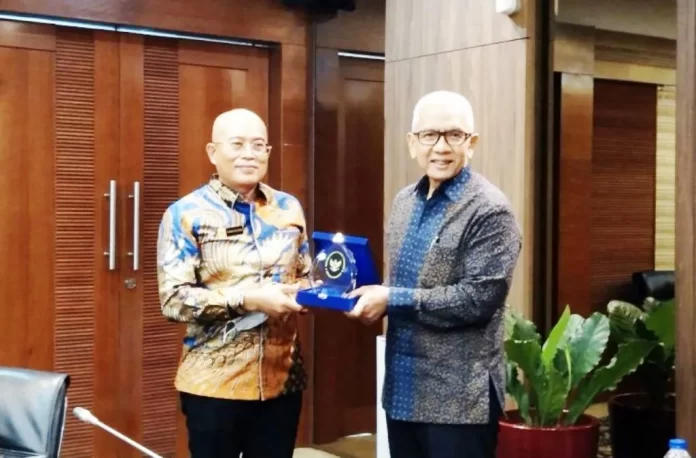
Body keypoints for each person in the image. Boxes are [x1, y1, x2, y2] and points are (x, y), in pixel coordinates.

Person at [347, 90, 522, 458]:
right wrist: (373, 300)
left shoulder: (490, 210)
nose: (441, 147)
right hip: (402, 389)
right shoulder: (403, 202)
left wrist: (390, 298)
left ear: (471, 143)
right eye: (429, 135)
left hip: (460, 401)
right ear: (412, 143)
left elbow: (477, 300)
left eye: (454, 135)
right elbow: (401, 284)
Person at [157, 108, 310, 458]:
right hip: (213, 384)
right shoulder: (185, 214)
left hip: (282, 381)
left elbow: (303, 274)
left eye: (258, 145)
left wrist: (314, 293)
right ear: (213, 152)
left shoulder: (288, 208)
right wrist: (248, 299)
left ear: (268, 152)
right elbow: (174, 301)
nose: (249, 154)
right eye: (237, 144)